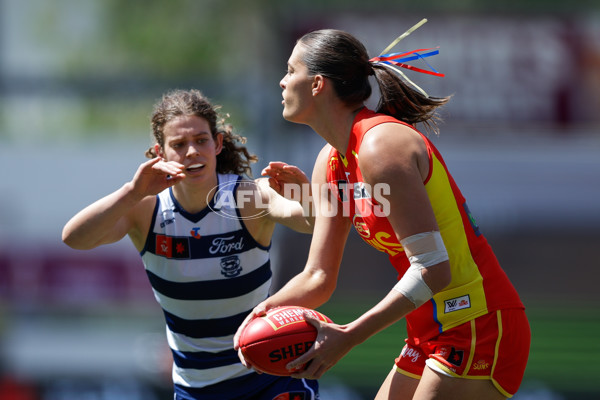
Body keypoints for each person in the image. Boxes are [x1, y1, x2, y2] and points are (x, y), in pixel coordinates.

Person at [234, 21, 530, 400]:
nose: (281, 81)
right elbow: (318, 276)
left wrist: (349, 336)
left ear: (317, 84)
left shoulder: (381, 147)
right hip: (427, 332)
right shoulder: (332, 161)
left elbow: (434, 269)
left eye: (291, 71)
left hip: (479, 323)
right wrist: (256, 318)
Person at [62, 89, 320, 400]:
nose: (192, 151)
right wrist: (131, 192)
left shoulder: (247, 197)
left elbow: (309, 221)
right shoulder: (145, 210)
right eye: (179, 144)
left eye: (201, 140)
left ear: (217, 144)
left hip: (272, 376)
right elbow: (75, 238)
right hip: (197, 389)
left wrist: (306, 197)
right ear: (161, 153)